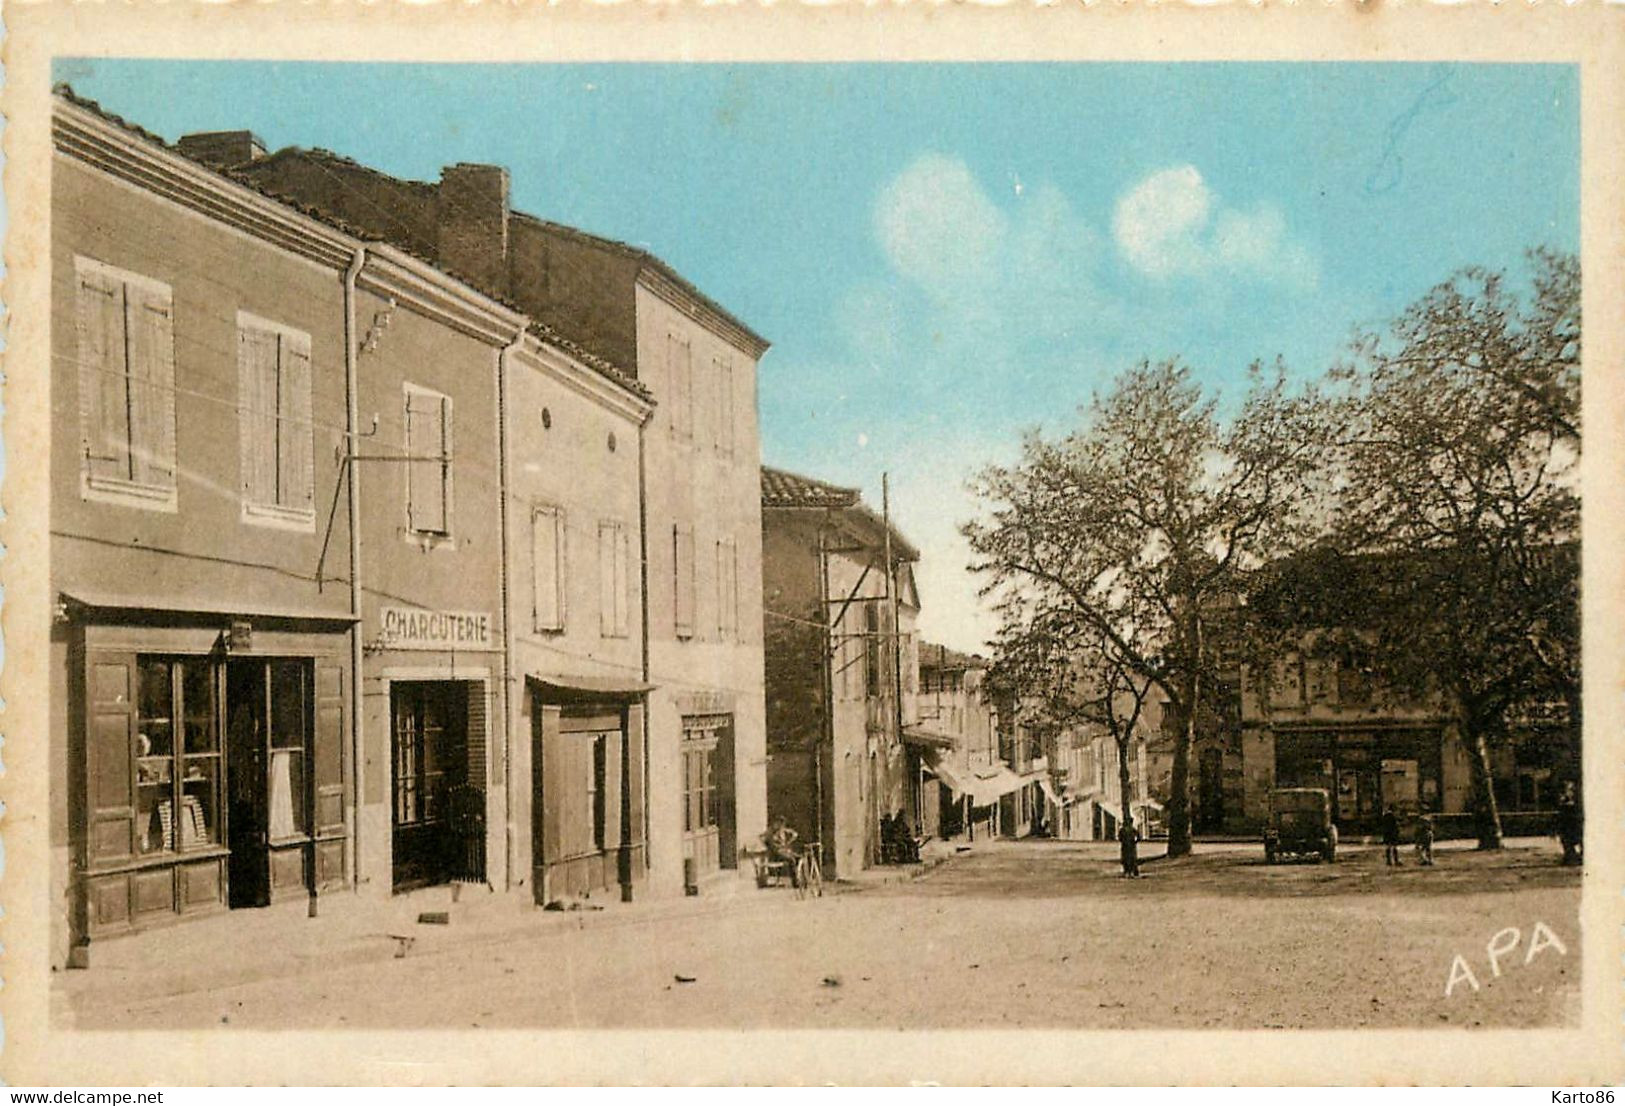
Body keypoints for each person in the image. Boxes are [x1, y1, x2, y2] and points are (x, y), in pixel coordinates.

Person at [766, 815, 801, 886]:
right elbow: (774, 845)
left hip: (783, 851)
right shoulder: (771, 832)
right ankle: (795, 882)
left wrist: (791, 838)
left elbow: (794, 834)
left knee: (798, 857)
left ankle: (799, 877)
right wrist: (782, 845)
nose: (781, 825)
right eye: (779, 823)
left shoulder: (782, 831)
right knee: (791, 859)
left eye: (782, 823)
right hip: (776, 854)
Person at [1556, 781, 1583, 866]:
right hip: (1568, 823)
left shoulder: (1575, 801)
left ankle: (1572, 856)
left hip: (1574, 822)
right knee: (1567, 839)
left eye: (1571, 790)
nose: (1569, 792)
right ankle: (1570, 856)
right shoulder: (1564, 801)